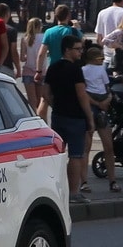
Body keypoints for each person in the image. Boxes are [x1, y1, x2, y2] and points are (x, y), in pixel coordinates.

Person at [37, 34, 93, 204]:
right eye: (77, 49)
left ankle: (55, 190)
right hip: (75, 117)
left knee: (58, 155)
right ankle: (73, 192)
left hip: (58, 116)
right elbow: (81, 94)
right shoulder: (75, 69)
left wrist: (56, 104)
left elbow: (45, 93)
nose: (80, 52)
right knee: (76, 155)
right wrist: (90, 117)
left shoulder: (53, 67)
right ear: (67, 50)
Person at [81, 46, 119, 193]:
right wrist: (105, 101)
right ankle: (112, 181)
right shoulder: (100, 69)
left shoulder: (83, 70)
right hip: (101, 104)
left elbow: (83, 91)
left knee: (86, 147)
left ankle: (84, 182)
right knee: (108, 146)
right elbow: (107, 87)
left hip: (91, 104)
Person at [20, 17, 44, 109]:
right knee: (40, 100)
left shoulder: (25, 39)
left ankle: (33, 118)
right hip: (41, 70)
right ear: (39, 27)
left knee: (32, 101)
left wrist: (29, 56)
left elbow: (22, 58)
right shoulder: (43, 37)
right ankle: (40, 119)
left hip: (28, 71)